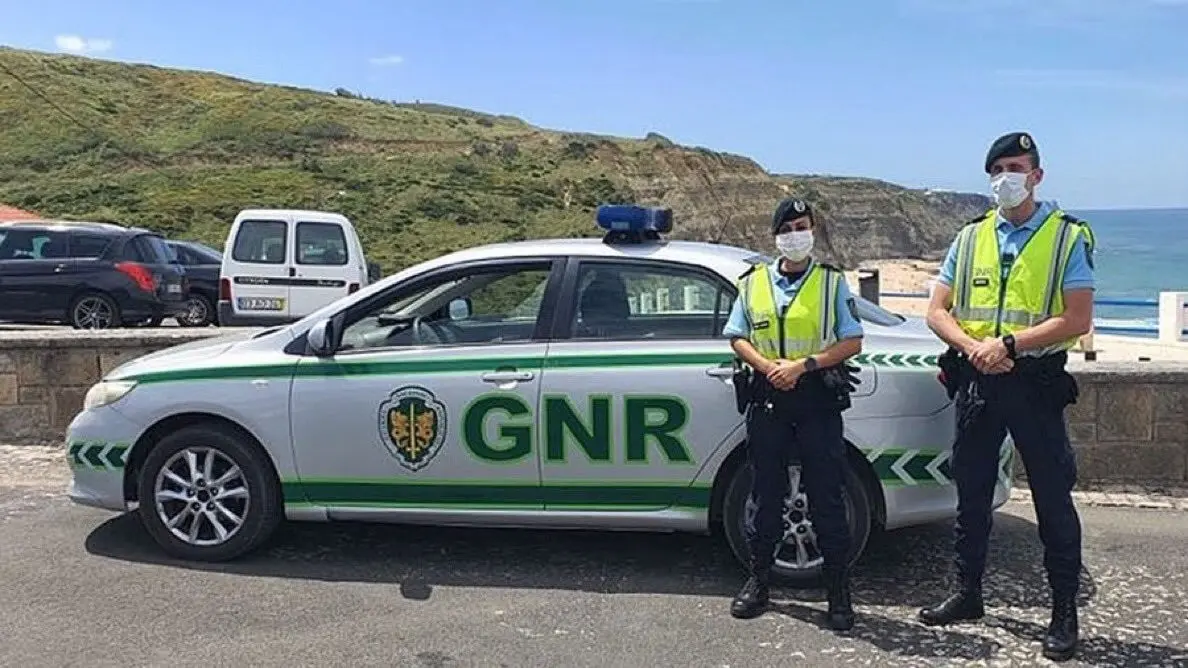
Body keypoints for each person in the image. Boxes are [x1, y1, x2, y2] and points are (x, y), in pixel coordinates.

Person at [919, 131, 1095, 663]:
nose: (1006, 178)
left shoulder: (1067, 237)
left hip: (1033, 383)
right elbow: (936, 310)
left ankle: (1064, 613)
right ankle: (967, 594)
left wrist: (1009, 344)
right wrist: (976, 348)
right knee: (970, 493)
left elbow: (1077, 317)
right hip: (978, 379)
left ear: (1037, 175)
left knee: (1051, 497)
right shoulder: (970, 237)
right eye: (997, 169)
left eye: (1015, 167)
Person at [721, 196, 865, 630]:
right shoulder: (753, 283)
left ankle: (838, 593)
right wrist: (767, 367)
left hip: (816, 400)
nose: (795, 235)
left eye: (802, 226)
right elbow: (736, 335)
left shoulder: (831, 284)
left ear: (813, 231)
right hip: (768, 401)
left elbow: (852, 339)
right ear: (776, 236)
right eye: (787, 229)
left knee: (827, 497)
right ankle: (758, 582)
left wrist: (804, 366)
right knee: (765, 496)